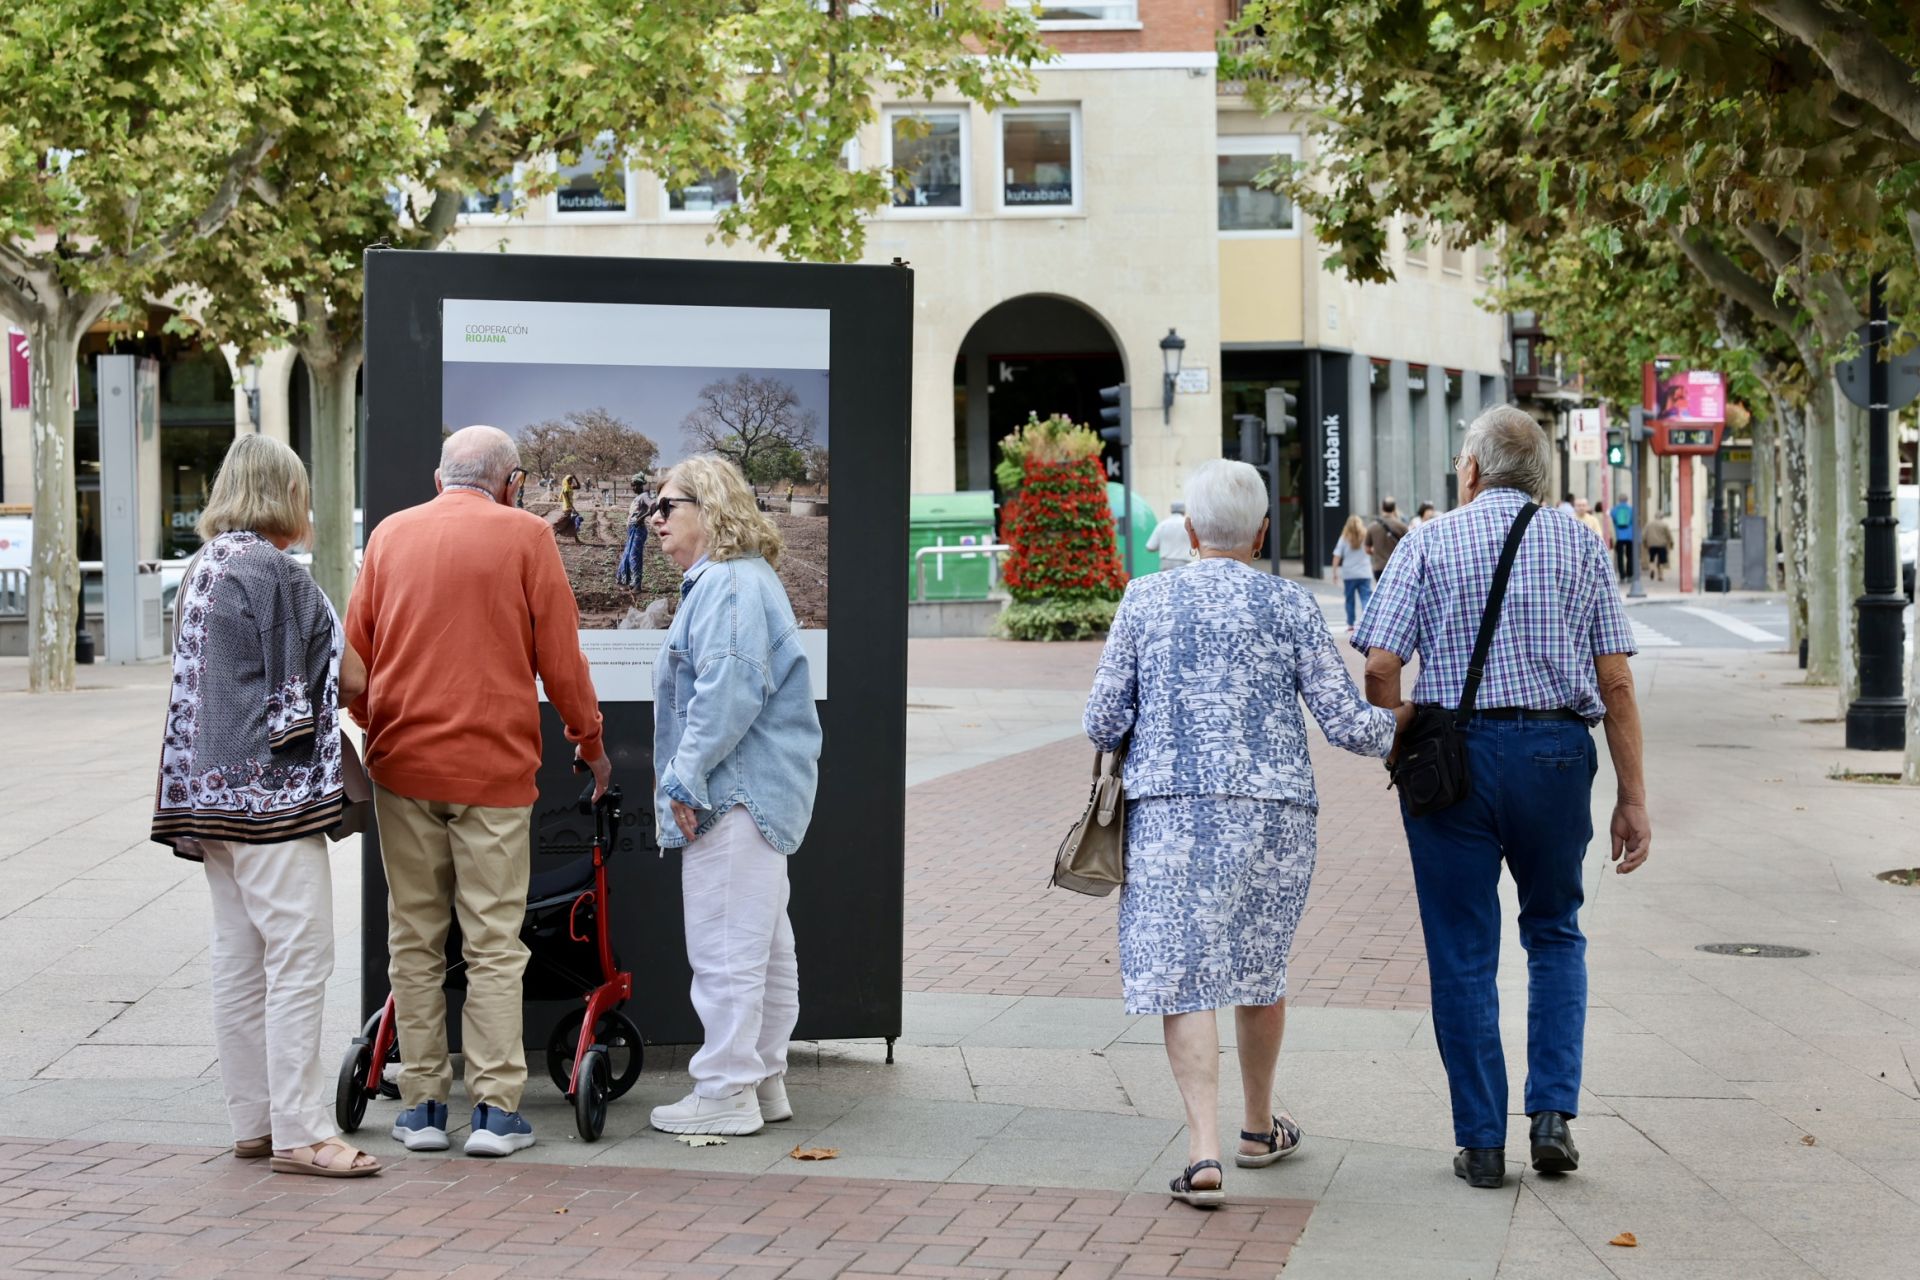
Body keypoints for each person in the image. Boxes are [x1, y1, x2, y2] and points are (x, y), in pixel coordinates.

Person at [1085, 460, 1413, 1208]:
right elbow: (1347, 726)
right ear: (1263, 533)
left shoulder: (1145, 599)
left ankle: (1203, 1152)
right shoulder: (1292, 606)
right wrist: (1405, 718)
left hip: (1171, 812)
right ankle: (1259, 1128)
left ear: (1192, 532)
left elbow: (1101, 721)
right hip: (1275, 816)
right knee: (1259, 968)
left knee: (1183, 971)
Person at [1355, 406, 1650, 1191]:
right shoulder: (1580, 547)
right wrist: (1633, 798)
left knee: (1462, 952)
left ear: (1473, 469)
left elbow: (1380, 669)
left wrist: (1400, 729)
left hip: (1454, 758)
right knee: (1555, 931)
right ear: (1543, 476)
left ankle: (1481, 1145)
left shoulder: (1427, 541)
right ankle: (1551, 1115)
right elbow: (1616, 680)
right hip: (1556, 754)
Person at [346, 426, 610, 1159]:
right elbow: (561, 660)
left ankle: (423, 1107)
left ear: (440, 478)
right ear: (512, 481)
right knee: (494, 942)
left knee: (415, 938)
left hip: (404, 768)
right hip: (494, 773)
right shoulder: (527, 538)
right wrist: (589, 744)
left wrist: (380, 730)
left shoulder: (392, 538)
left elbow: (354, 662)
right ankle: (495, 1113)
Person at [151, 434, 380, 1179]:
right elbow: (349, 680)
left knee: (239, 958)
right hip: (269, 799)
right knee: (300, 957)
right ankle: (303, 1133)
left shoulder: (206, 566)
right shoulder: (275, 571)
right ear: (286, 494)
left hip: (205, 797)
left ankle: (254, 1121)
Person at [646, 454, 823, 1137]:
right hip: (759, 794)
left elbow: (727, 691)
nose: (654, 518)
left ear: (711, 507)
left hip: (731, 794)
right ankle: (764, 1081)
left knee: (725, 952)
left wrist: (684, 779)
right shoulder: (743, 581)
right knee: (764, 949)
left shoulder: (725, 585)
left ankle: (724, 1091)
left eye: (669, 504)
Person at [1330, 513, 1375, 638]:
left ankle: (1350, 625)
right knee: (1366, 598)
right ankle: (1367, 624)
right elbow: (1372, 551)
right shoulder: (1365, 535)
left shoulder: (1344, 537)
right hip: (1365, 573)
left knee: (1350, 600)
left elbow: (1337, 555)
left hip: (1349, 574)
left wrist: (1334, 572)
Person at [616, 475, 651, 588]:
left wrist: (642, 517)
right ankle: (629, 581)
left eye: (635, 485)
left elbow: (653, 505)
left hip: (639, 530)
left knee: (634, 556)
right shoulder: (637, 498)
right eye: (632, 485)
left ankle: (637, 585)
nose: (633, 487)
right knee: (627, 555)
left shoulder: (644, 496)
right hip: (632, 530)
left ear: (640, 485)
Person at [1146, 501, 1195, 570]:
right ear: (1184, 511)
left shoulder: (1162, 525)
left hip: (1166, 564)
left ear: (1171, 510)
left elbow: (1150, 547)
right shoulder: (1188, 525)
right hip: (1184, 563)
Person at [1367, 498, 1409, 576]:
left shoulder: (1372, 526)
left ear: (1382, 508)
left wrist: (1377, 552)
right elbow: (1409, 546)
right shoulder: (1401, 526)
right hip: (1396, 566)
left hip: (1379, 567)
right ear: (1394, 509)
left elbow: (1367, 549)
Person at [1610, 497, 1636, 581]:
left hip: (1619, 535)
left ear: (1619, 500)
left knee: (1620, 556)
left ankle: (1622, 575)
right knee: (1630, 555)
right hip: (1629, 536)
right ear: (1627, 500)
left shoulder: (1614, 509)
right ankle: (1629, 574)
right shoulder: (1631, 509)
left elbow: (1612, 520)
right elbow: (1634, 520)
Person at [1642, 510, 1673, 581]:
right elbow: (1669, 535)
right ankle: (1660, 576)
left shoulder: (1648, 524)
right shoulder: (1664, 525)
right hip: (1662, 544)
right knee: (1661, 561)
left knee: (1651, 559)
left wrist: (1645, 543)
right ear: (1662, 517)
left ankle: (1652, 570)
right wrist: (1671, 542)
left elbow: (1644, 535)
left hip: (1651, 544)